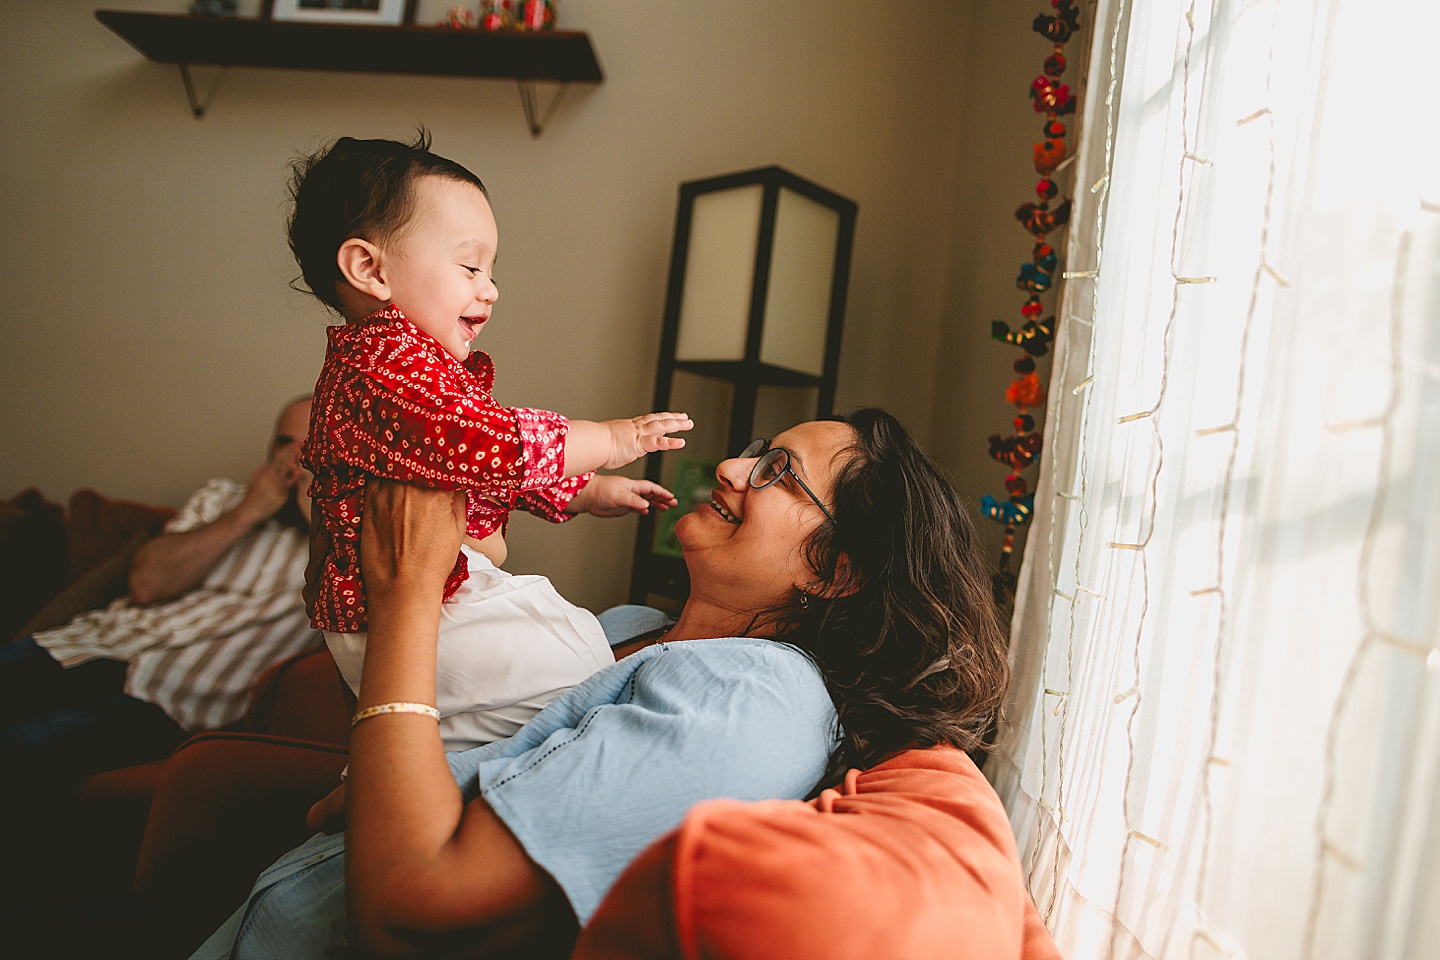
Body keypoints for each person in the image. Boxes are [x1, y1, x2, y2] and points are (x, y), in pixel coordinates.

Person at [192, 408, 1011, 959]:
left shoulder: (755, 704)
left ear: (835, 570)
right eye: (757, 451)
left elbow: (414, 912)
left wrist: (408, 591)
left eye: (776, 473)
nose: (727, 466)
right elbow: (409, 727)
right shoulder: (622, 632)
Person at [288, 133, 691, 750]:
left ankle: (372, 779)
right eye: (471, 266)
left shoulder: (408, 370)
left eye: (492, 271)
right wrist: (607, 440)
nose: (490, 289)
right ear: (369, 268)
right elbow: (493, 446)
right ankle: (387, 774)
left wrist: (581, 491)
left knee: (528, 686)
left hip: (420, 599)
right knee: (573, 666)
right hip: (409, 605)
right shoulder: (383, 369)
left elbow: (477, 467)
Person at [0, 394, 321, 781]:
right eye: (286, 443)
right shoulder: (223, 499)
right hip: (84, 647)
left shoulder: (346, 540)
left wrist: (322, 513)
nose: (296, 460)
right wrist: (248, 511)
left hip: (160, 700)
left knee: (16, 751)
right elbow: (147, 585)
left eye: (313, 444)